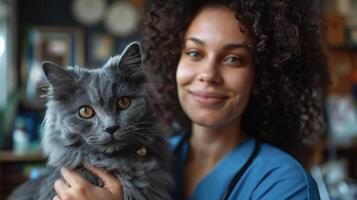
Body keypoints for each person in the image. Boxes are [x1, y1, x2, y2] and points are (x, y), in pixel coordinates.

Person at [52, 0, 330, 199]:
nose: (208, 74)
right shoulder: (154, 151)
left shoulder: (285, 184)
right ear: (173, 61)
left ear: (262, 77)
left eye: (234, 59)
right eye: (195, 53)